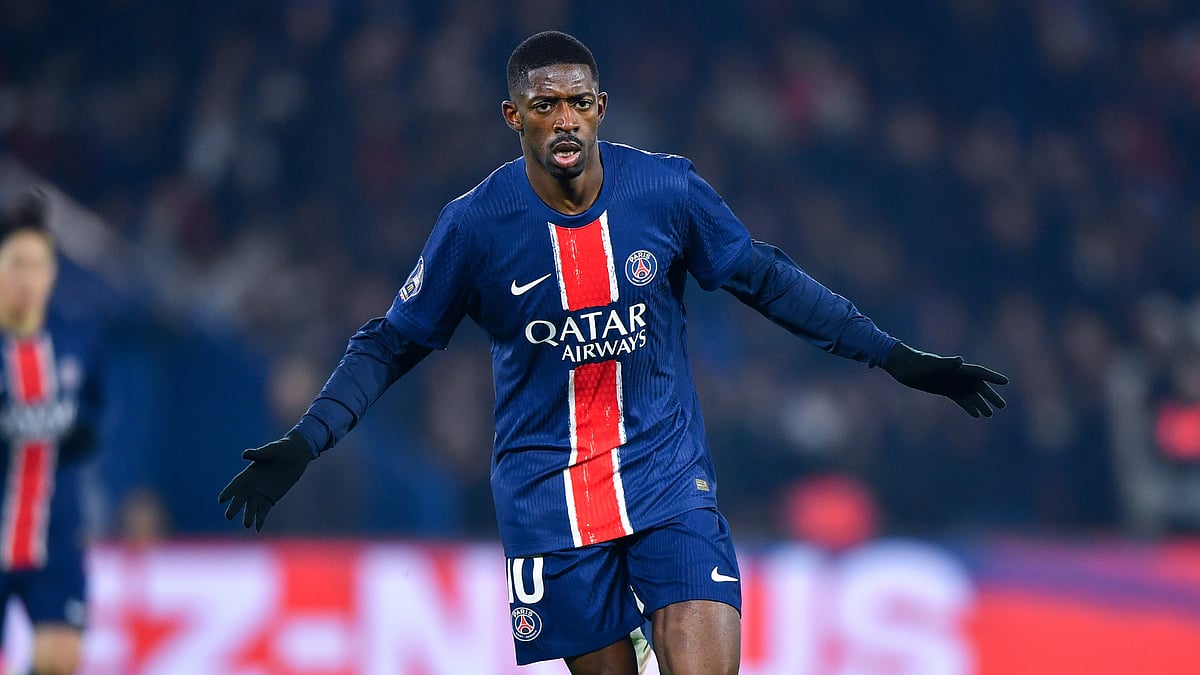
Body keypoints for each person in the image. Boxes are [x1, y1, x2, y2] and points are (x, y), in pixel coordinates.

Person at [220, 31, 1008, 674]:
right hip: (549, 499)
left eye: (576, 102)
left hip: (667, 478)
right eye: (543, 105)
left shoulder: (665, 191)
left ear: (601, 108)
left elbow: (766, 278)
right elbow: (390, 342)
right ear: (513, 116)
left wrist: (894, 356)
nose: (563, 120)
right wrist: (305, 439)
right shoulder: (473, 226)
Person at [0, 190, 104, 675]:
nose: (27, 278)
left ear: (53, 273)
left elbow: (96, 421)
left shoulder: (75, 341)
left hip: (54, 535)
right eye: (16, 263)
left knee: (61, 660)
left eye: (38, 265)